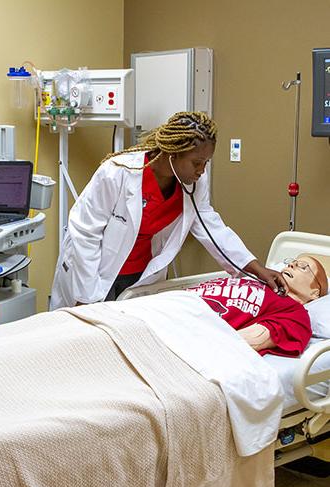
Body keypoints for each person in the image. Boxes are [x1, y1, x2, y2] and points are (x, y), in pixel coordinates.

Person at [50, 111, 287, 310]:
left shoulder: (192, 185)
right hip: (94, 271)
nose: (202, 171)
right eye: (197, 162)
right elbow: (85, 233)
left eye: (206, 163)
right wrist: (85, 297)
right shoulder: (117, 173)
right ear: (173, 154)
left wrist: (257, 269)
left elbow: (213, 229)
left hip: (139, 277)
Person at [187, 255, 328, 357]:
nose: (291, 265)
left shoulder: (296, 314)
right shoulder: (255, 280)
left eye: (303, 266)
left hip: (189, 329)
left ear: (314, 293)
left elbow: (240, 341)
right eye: (292, 262)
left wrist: (193, 346)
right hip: (176, 303)